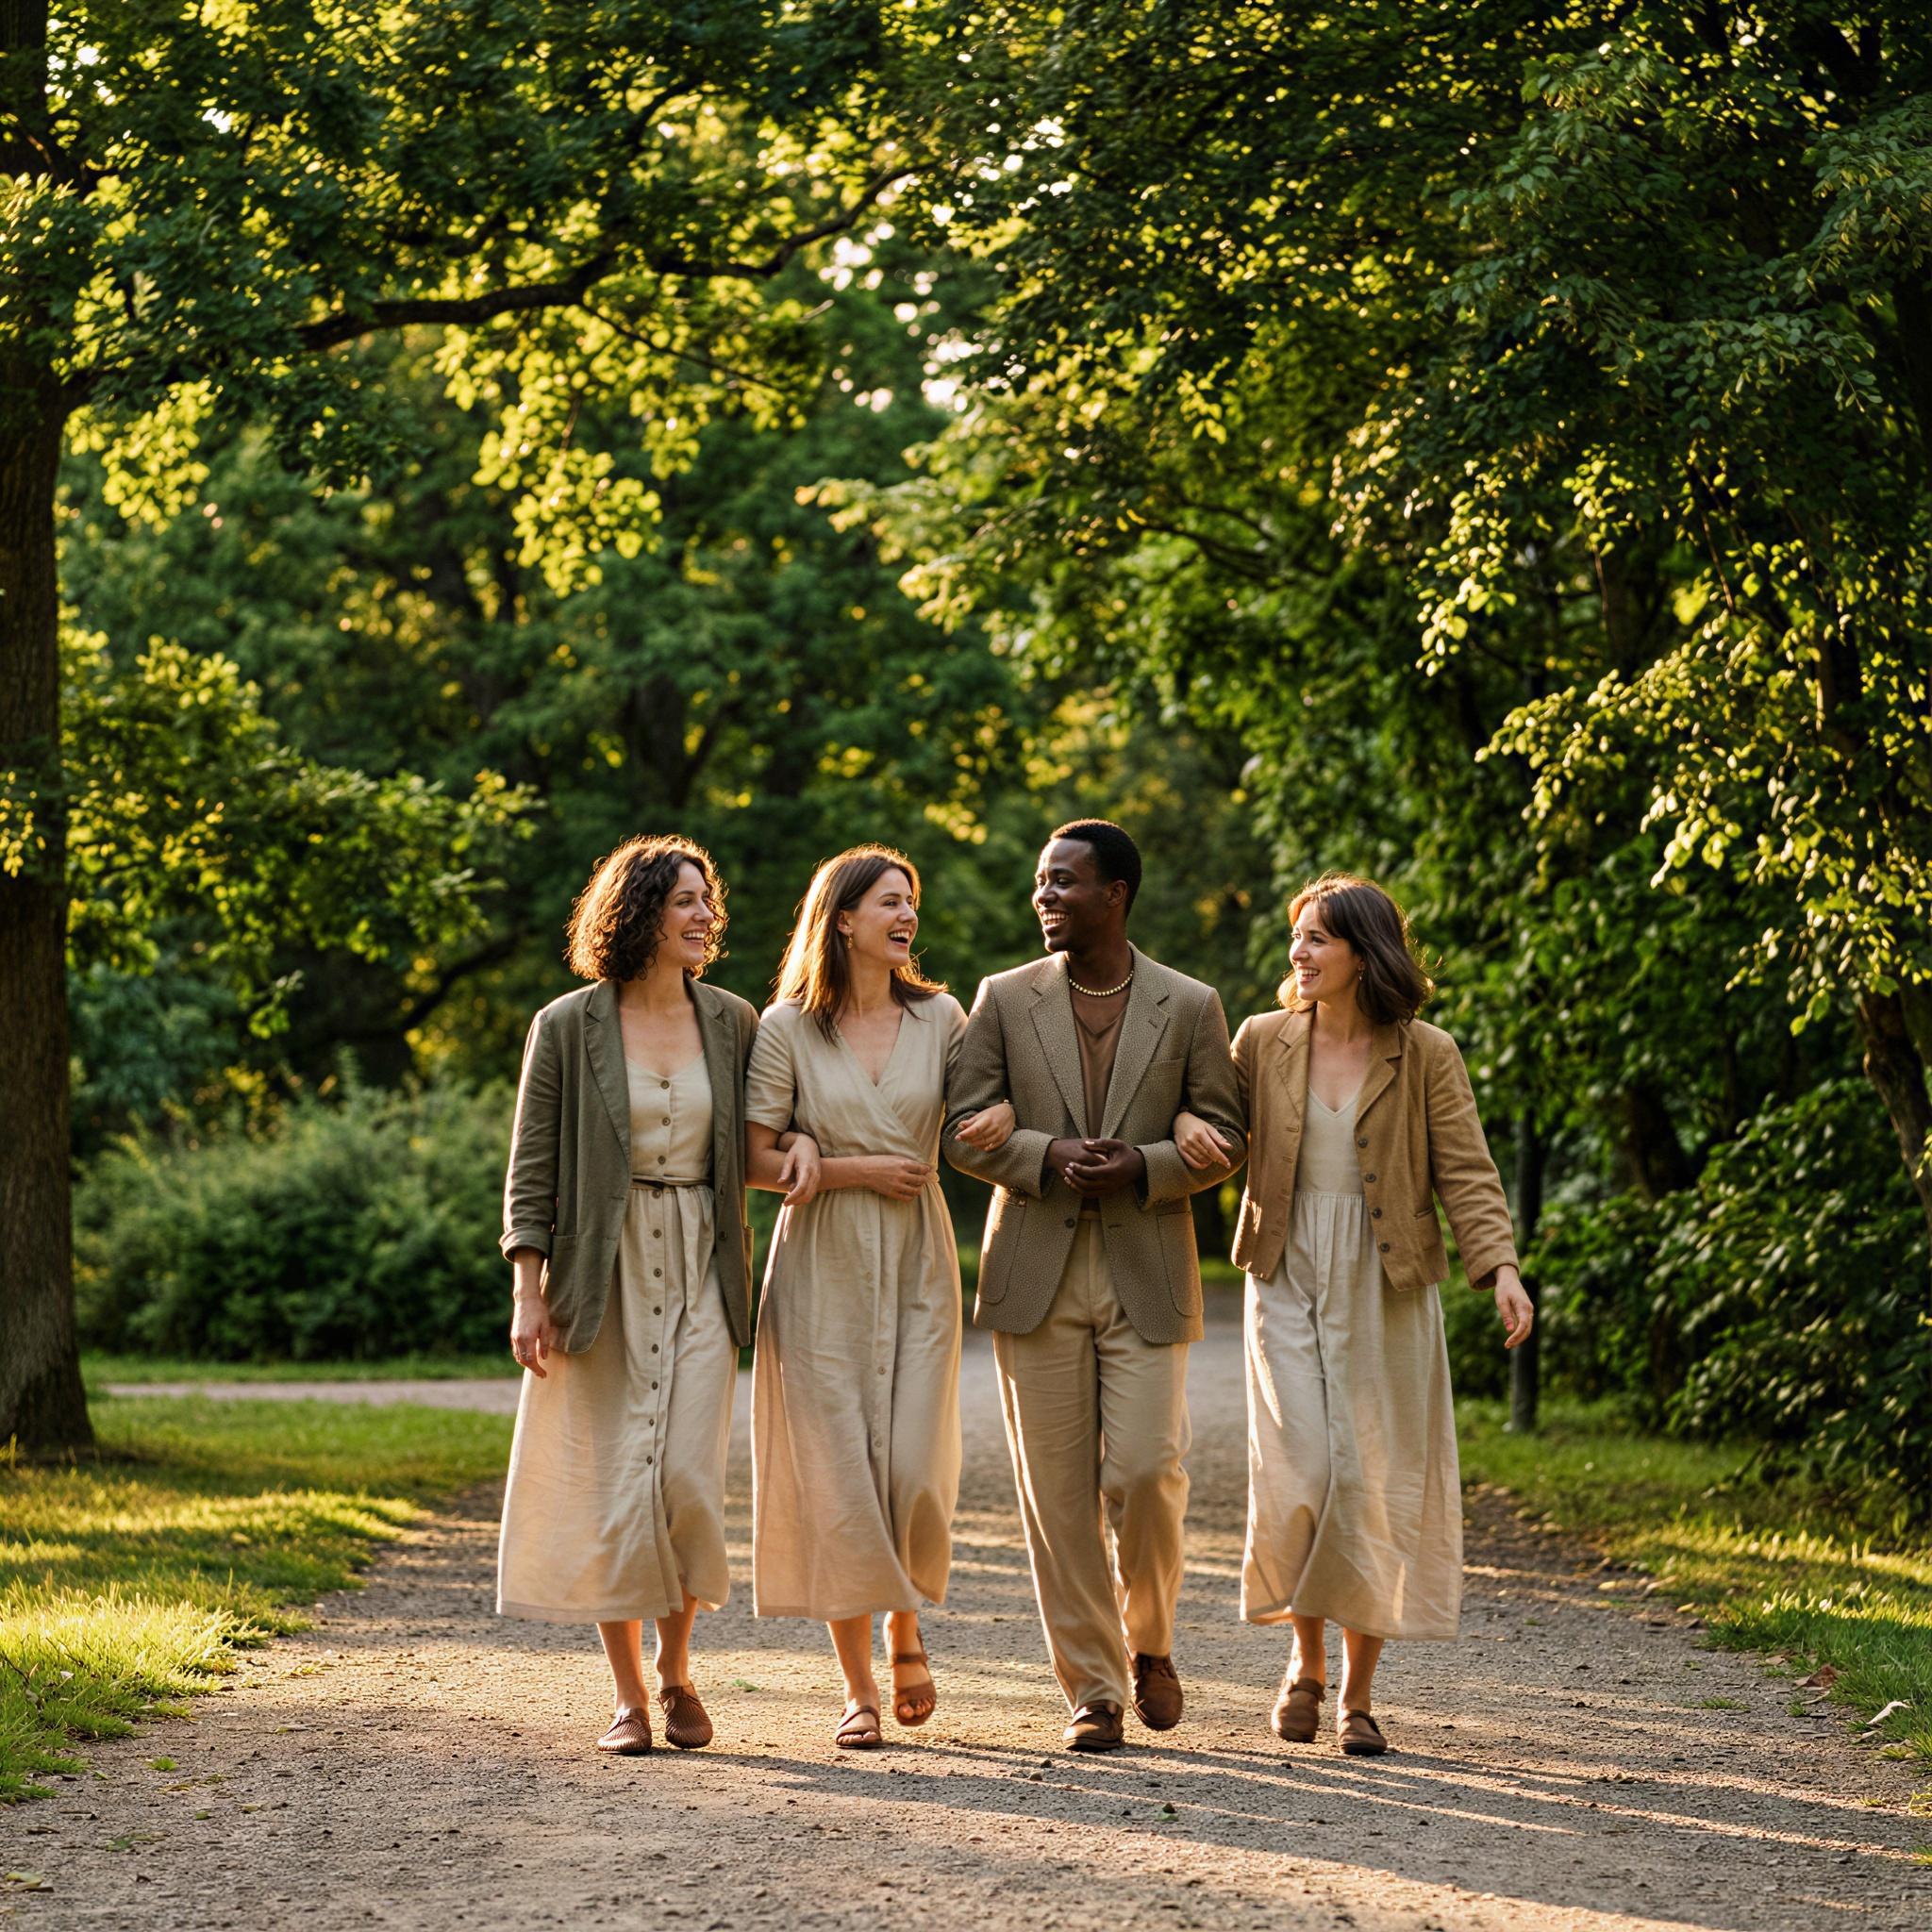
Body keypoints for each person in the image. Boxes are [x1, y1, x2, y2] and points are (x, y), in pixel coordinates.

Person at [1175, 871, 1533, 1757]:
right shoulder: (1261, 1040)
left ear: (1362, 954)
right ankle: (1304, 1664)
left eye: (1317, 939)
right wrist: (1190, 1137)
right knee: (1301, 1468)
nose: (1298, 953)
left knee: (1367, 1477)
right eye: (1296, 937)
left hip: (1388, 1281)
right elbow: (1211, 1128)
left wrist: (1502, 1268)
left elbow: (1467, 1168)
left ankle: (1360, 1698)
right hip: (1285, 1270)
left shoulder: (1427, 1052)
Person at [941, 820, 1246, 1753]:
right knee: (1056, 1495)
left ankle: (1148, 1637)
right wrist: (1047, 1153)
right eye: (1038, 881)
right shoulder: (999, 998)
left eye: (1062, 881)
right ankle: (1093, 1688)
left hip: (1145, 1269)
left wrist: (1149, 1164)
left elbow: (1227, 1135)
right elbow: (959, 1129)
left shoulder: (1190, 1005)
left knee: (1147, 1471)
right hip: (1032, 1270)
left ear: (1115, 892)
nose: (1043, 896)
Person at [496, 836, 789, 1757]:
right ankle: (630, 1696)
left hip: (704, 1259)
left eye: (709, 899)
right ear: (637, 913)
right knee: (614, 1481)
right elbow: (530, 1168)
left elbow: (769, 1134)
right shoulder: (565, 1024)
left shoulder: (735, 1020)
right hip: (600, 1269)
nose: (706, 915)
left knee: (687, 1481)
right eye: (685, 901)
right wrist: (526, 1289)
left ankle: (678, 1666)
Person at [743, 844, 1012, 1750]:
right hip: (818, 1261)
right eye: (890, 903)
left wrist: (1002, 1120)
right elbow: (752, 1158)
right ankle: (858, 1686)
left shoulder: (943, 1017)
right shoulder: (785, 1028)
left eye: (913, 904)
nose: (907, 918)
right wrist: (849, 1166)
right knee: (839, 1477)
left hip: (916, 1259)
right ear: (843, 917)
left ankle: (905, 1615)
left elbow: (984, 1117)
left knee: (911, 1469)